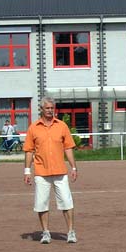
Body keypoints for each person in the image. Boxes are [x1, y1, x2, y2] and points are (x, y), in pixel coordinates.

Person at [23, 97, 78, 244]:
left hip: (60, 171)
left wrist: (73, 167)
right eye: (47, 108)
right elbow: (28, 151)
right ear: (41, 109)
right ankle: (46, 232)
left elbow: (68, 147)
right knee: (41, 204)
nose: (50, 110)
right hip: (41, 172)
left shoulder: (62, 126)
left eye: (52, 108)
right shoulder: (33, 128)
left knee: (67, 202)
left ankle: (71, 232)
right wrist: (27, 171)